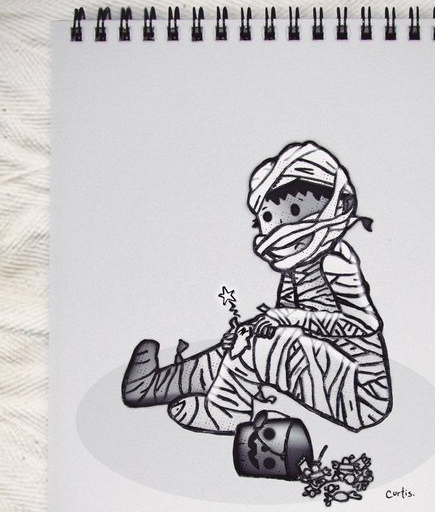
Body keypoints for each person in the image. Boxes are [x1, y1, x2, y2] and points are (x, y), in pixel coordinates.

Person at [122, 141, 392, 434]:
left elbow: (364, 324)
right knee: (244, 343)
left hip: (360, 392)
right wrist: (252, 330)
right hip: (329, 375)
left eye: (295, 209)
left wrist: (282, 320)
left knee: (258, 346)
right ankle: (153, 386)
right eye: (267, 218)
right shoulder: (296, 268)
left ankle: (227, 412)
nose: (278, 225)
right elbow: (287, 323)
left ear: (339, 205)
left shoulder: (335, 261)